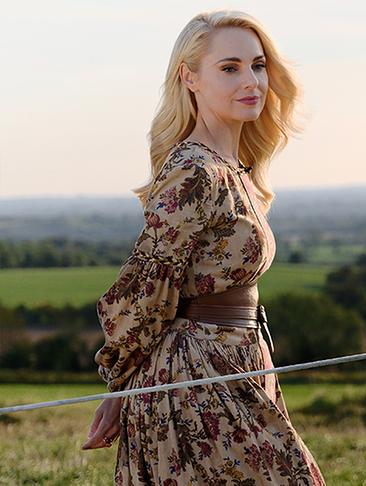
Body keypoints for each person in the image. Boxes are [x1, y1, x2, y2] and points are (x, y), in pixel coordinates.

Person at [80, 10, 326, 485]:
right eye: (229, 68)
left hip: (236, 361)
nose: (251, 80)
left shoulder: (234, 168)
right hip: (193, 378)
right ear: (189, 77)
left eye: (257, 65)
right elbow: (144, 284)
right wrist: (121, 383)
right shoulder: (194, 170)